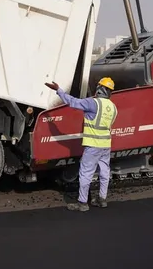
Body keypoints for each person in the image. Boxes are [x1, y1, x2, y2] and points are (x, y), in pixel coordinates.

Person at [44, 77, 118, 212]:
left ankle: (82, 203)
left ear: (100, 88)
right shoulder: (113, 108)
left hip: (93, 145)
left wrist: (58, 90)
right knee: (104, 171)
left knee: (86, 173)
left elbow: (73, 102)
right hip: (106, 145)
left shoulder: (93, 103)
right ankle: (102, 199)